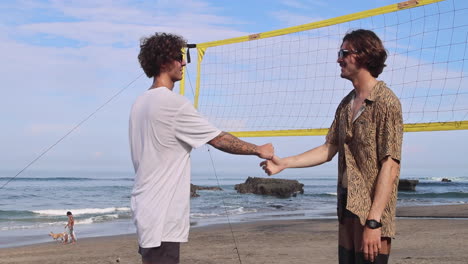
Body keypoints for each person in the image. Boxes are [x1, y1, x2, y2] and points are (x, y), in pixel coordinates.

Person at [129, 32, 274, 264]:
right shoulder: (173, 104)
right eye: (180, 56)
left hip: (146, 208)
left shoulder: (140, 103)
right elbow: (218, 139)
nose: (184, 62)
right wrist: (259, 149)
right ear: (164, 61)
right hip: (162, 215)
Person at [261, 29, 403, 264]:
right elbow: (329, 147)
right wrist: (285, 163)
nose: (339, 59)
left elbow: (391, 165)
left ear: (364, 55)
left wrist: (374, 221)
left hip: (371, 213)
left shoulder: (386, 102)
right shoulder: (346, 104)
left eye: (344, 52)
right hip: (347, 205)